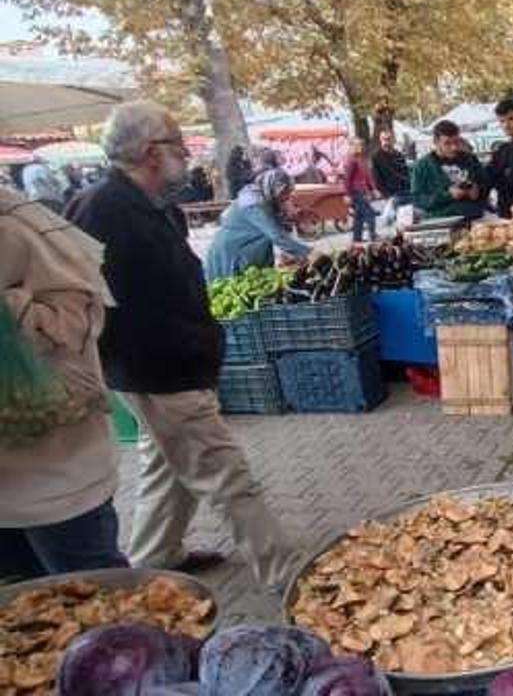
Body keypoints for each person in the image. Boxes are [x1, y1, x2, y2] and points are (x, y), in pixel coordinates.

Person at [66, 101, 293, 587]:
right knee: (228, 477)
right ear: (151, 151)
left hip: (169, 365)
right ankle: (285, 574)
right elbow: (81, 300)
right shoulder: (102, 210)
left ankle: (156, 556)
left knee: (165, 466)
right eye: (178, 144)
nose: (187, 155)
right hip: (159, 370)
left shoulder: (149, 204)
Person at [0, 191, 130, 580]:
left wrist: (12, 312)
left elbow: (81, 316)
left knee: (95, 596)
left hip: (56, 480)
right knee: (24, 613)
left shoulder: (17, 229)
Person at [204, 168, 311, 281]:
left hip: (249, 253)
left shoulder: (267, 199)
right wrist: (309, 253)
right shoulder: (252, 203)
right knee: (230, 286)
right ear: (273, 188)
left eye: (287, 194)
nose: (285, 197)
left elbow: (279, 230)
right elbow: (275, 235)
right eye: (283, 193)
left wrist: (287, 253)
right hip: (232, 252)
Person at [411, 120, 486, 221]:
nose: (453, 147)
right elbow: (417, 199)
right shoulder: (422, 165)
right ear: (436, 142)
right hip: (441, 221)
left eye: (456, 142)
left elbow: (484, 184)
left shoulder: (470, 159)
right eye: (447, 143)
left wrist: (478, 191)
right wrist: (447, 195)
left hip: (474, 218)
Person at [343, 138, 379, 243]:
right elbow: (347, 179)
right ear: (351, 146)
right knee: (370, 214)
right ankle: (373, 236)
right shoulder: (351, 160)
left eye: (361, 145)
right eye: (357, 145)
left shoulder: (362, 159)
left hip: (363, 191)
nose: (360, 147)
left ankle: (357, 239)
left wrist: (374, 189)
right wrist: (347, 195)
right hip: (356, 192)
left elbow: (368, 176)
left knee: (359, 216)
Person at [372, 128, 410, 202]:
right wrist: (384, 193)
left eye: (388, 139)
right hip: (389, 193)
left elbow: (405, 172)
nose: (386, 141)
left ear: (393, 139)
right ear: (380, 140)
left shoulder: (398, 155)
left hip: (403, 190)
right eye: (384, 139)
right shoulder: (376, 156)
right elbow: (376, 177)